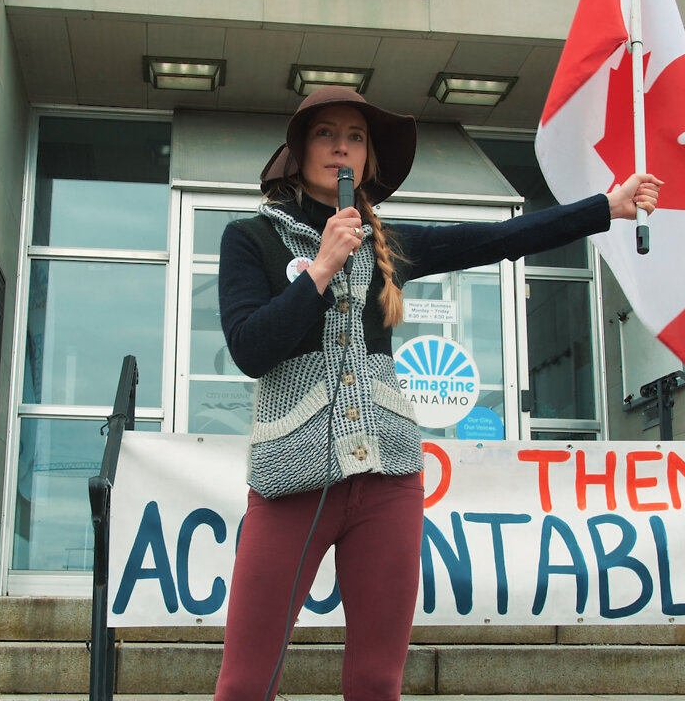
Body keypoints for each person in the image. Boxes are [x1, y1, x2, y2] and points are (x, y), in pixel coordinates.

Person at [215, 85, 661, 701]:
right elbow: (249, 348)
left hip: (389, 480)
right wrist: (319, 270)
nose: (341, 147)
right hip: (290, 480)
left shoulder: (387, 243)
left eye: (356, 137)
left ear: (367, 158)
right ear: (299, 148)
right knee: (244, 683)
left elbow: (494, 240)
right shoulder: (249, 238)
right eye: (325, 133)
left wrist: (604, 207)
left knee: (376, 681)